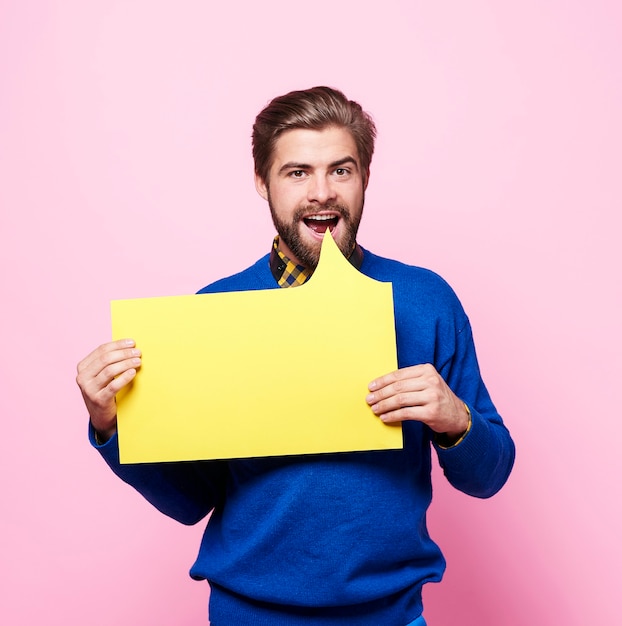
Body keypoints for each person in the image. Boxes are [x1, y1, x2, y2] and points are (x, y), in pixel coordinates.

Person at [76, 86, 515, 626]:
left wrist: (455, 420)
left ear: (364, 178)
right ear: (263, 182)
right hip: (248, 614)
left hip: (393, 615)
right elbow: (189, 502)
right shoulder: (213, 312)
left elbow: (490, 475)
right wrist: (111, 424)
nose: (321, 193)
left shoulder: (426, 300)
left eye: (341, 170)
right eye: (298, 172)